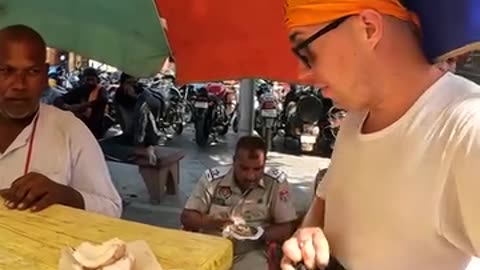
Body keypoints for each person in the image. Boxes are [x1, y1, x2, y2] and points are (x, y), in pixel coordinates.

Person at [281, 1, 480, 270]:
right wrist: (306, 239)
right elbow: (325, 205)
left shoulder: (467, 128)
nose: (303, 72)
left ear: (368, 28)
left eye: (306, 51)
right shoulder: (355, 119)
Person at [0, 24, 121, 217]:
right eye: (6, 70)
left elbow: (112, 208)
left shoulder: (70, 130)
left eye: (32, 72)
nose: (19, 85)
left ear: (44, 75)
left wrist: (65, 195)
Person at [181, 136, 298, 270]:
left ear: (265, 164)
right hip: (212, 246)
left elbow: (286, 228)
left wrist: (257, 234)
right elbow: (187, 217)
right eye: (244, 168)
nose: (250, 176)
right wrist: (213, 222)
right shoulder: (213, 179)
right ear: (234, 161)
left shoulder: (275, 183)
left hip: (251, 252)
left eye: (257, 169)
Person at [55, 67, 108, 139]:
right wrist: (67, 106)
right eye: (88, 80)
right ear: (83, 80)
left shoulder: (101, 90)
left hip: (95, 130)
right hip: (78, 129)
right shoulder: (80, 90)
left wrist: (83, 105)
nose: (90, 82)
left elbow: (102, 100)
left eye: (92, 79)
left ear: (97, 80)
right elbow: (58, 100)